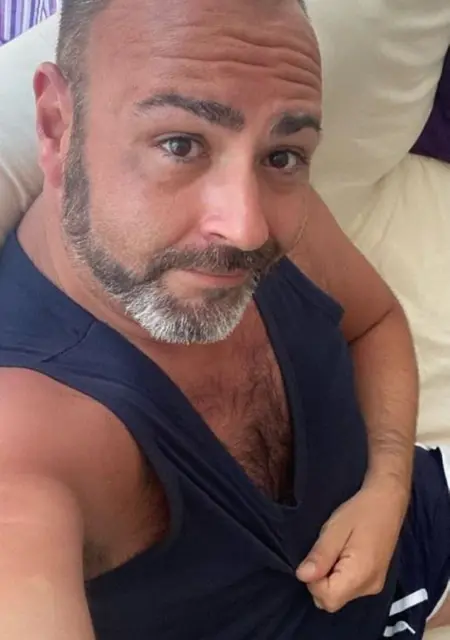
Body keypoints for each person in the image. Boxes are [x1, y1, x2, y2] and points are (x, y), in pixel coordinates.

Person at [0, 0, 448, 638]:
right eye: (180, 144)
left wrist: (389, 483)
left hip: (415, 528)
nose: (247, 229)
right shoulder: (25, 437)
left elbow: (375, 322)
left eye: (283, 155)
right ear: (56, 124)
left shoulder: (275, 205)